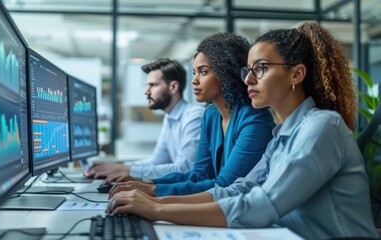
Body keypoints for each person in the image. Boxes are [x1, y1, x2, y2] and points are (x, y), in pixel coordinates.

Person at [107, 22, 379, 239]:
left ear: (296, 74)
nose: (248, 79)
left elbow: (262, 205)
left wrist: (155, 208)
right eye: (248, 70)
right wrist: (154, 203)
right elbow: (240, 189)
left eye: (260, 68)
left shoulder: (321, 128)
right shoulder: (281, 135)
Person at [107, 32, 275, 197]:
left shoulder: (255, 119)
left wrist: (153, 191)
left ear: (226, 73)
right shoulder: (211, 116)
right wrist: (147, 183)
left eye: (203, 72)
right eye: (195, 73)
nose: (194, 80)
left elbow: (225, 184)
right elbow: (199, 175)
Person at [84, 58, 204, 180]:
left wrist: (127, 170)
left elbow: (185, 169)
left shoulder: (194, 117)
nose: (146, 92)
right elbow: (158, 160)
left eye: (153, 85)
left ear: (173, 87)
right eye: (147, 85)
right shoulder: (170, 117)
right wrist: (119, 167)